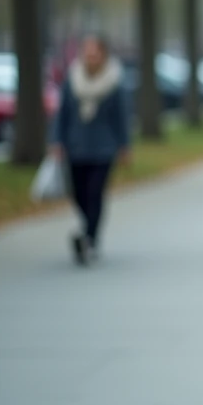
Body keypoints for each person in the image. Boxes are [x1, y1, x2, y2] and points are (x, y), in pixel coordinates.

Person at [50, 34, 131, 267]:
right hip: (76, 146)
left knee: (95, 193)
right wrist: (57, 141)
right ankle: (89, 230)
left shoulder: (115, 81)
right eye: (87, 53)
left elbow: (121, 117)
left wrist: (124, 145)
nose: (90, 57)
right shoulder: (72, 79)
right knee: (78, 193)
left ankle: (89, 238)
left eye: (94, 53)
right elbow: (62, 113)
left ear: (103, 55)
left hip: (104, 148)